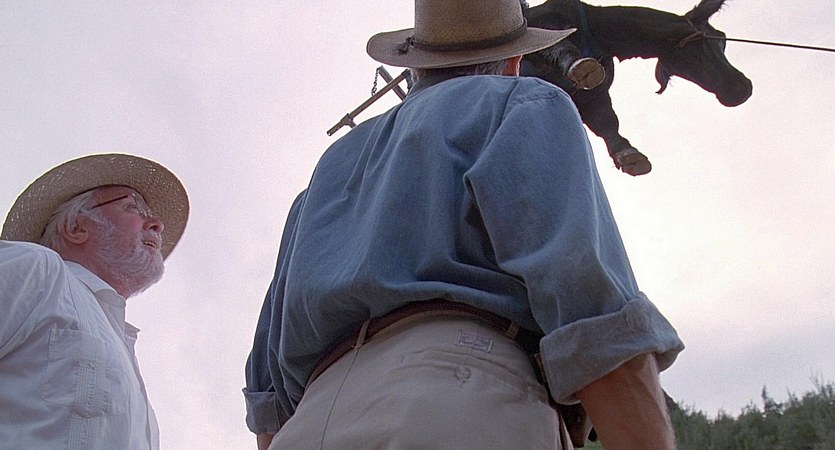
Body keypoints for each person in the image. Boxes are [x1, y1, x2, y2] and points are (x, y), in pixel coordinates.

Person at [244, 0, 684, 449]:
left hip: (308, 425)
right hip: (459, 399)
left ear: (415, 66)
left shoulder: (328, 170)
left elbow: (267, 400)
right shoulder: (522, 103)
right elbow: (589, 305)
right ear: (513, 62)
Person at [0, 153, 189, 449]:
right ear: (76, 228)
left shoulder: (125, 351)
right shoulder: (37, 269)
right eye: (133, 207)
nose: (156, 224)